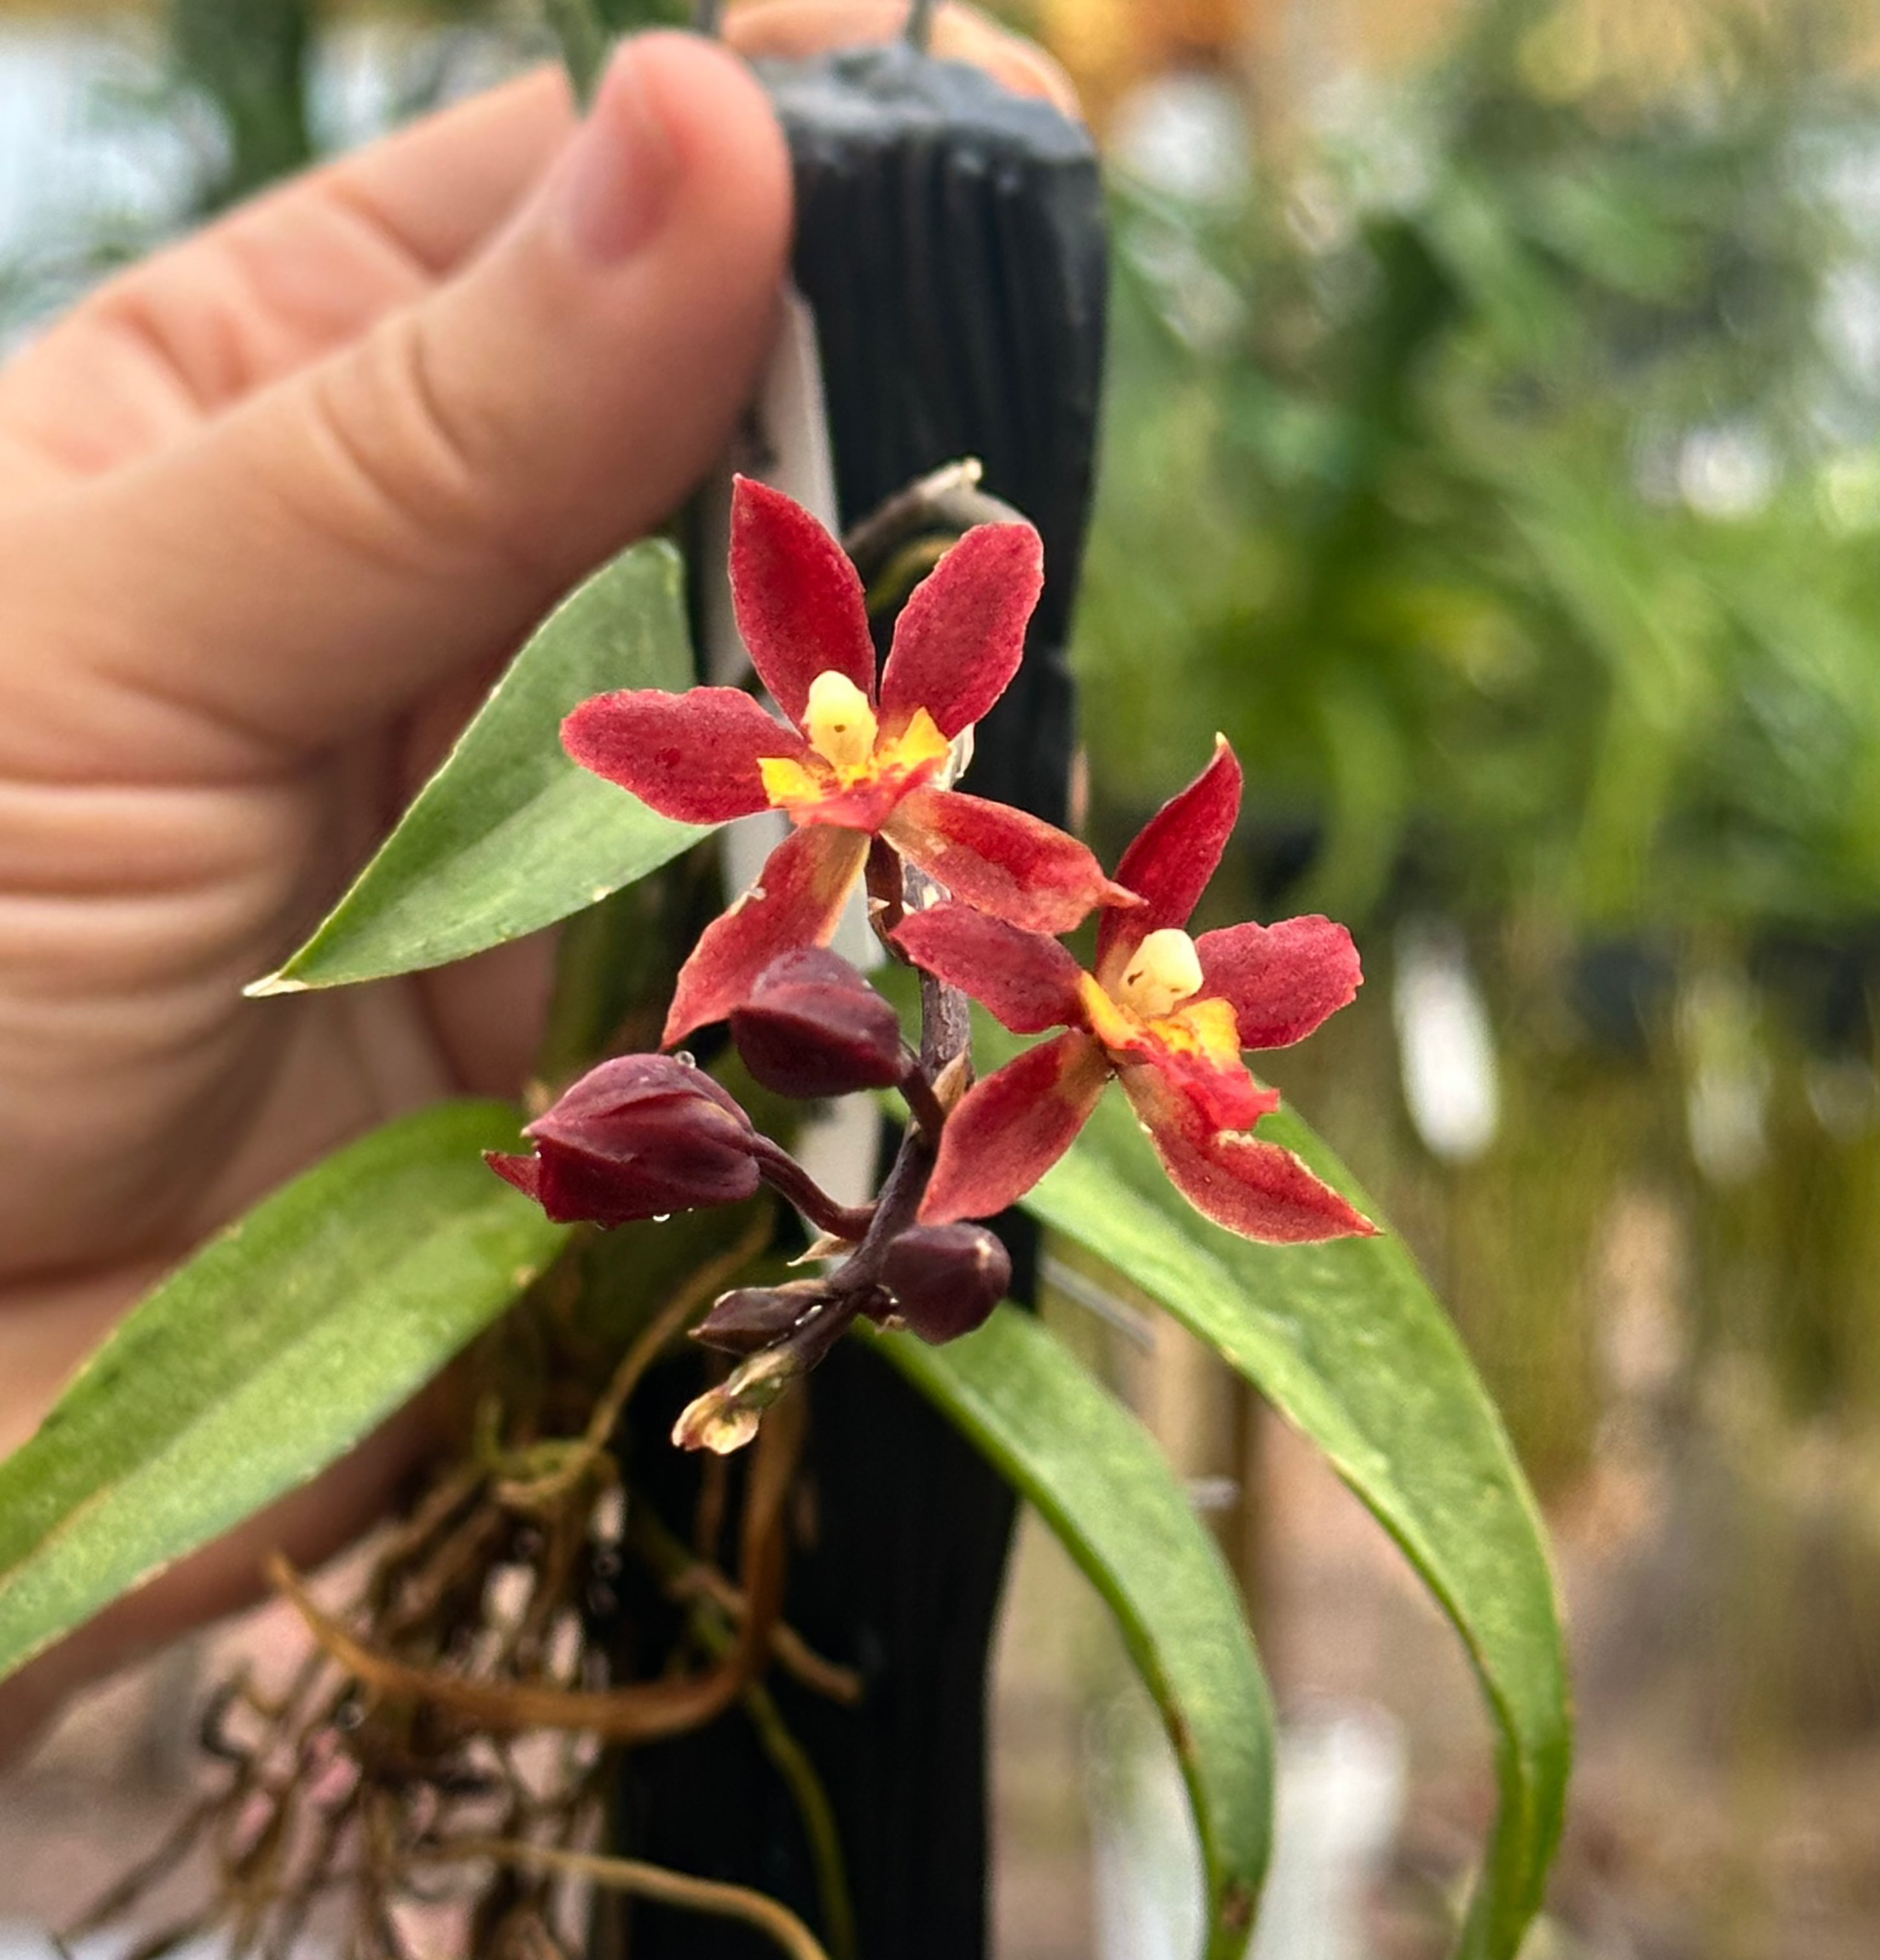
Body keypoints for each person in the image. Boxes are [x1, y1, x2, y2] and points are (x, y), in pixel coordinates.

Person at [0, 0, 1071, 1761]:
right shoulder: (798, 855)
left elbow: (1008, 903)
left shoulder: (931, 898)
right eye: (838, 733)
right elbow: (724, 905)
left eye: (891, 738)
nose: (863, 754)